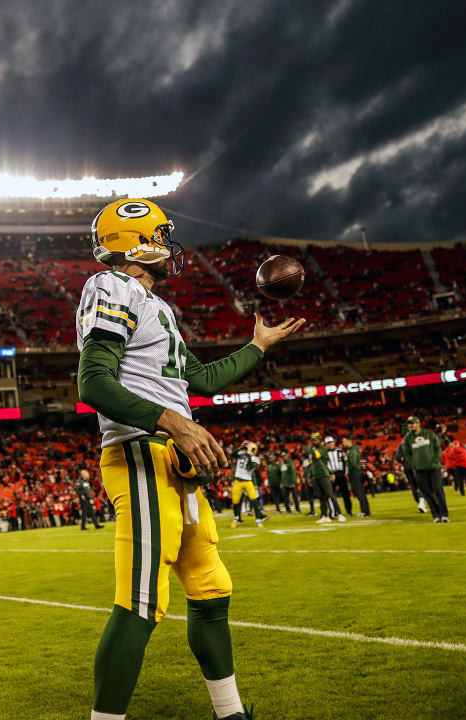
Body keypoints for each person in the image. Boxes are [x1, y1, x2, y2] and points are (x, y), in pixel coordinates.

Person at [74, 198, 304, 720]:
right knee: (140, 602)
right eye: (159, 235)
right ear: (136, 243)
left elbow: (195, 380)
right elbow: (93, 382)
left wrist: (258, 347)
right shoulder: (112, 286)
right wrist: (174, 422)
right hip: (140, 451)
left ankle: (230, 712)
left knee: (211, 587)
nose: (168, 245)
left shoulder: (157, 306)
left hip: (174, 458)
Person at [399, 417, 449, 523]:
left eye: (412, 423)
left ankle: (444, 515)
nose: (411, 425)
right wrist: (414, 464)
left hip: (433, 468)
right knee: (427, 493)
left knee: (438, 490)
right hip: (419, 470)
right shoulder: (407, 439)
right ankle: (436, 515)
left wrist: (436, 461)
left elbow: (437, 448)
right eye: (409, 424)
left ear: (418, 423)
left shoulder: (429, 435)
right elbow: (407, 454)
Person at [305, 433, 343, 524]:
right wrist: (310, 476)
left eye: (316, 440)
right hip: (315, 475)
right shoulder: (312, 450)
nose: (314, 442)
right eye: (313, 440)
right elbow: (312, 464)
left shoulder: (323, 449)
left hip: (323, 474)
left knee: (330, 494)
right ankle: (324, 516)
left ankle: (340, 514)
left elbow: (318, 456)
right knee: (321, 496)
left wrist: (313, 449)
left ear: (320, 440)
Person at [229, 441, 267, 528]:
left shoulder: (255, 459)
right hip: (238, 481)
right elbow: (232, 454)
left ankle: (258, 520)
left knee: (254, 500)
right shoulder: (242, 453)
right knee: (235, 501)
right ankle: (236, 518)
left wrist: (248, 455)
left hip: (248, 481)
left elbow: (249, 466)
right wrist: (240, 447)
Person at [342, 436, 372, 516]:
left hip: (355, 473)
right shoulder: (351, 450)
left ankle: (364, 511)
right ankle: (366, 511)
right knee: (360, 492)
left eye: (344, 441)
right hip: (356, 473)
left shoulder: (352, 450)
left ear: (349, 441)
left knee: (359, 493)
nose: (343, 443)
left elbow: (353, 464)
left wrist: (350, 472)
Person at [324, 436, 352, 516]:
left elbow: (345, 463)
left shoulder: (340, 451)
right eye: (328, 443)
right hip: (331, 475)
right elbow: (325, 465)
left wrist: (345, 473)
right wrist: (330, 474)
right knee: (331, 495)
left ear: (334, 442)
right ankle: (334, 512)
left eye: (331, 442)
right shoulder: (325, 453)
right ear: (326, 444)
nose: (330, 444)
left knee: (345, 494)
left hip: (340, 474)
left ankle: (349, 511)